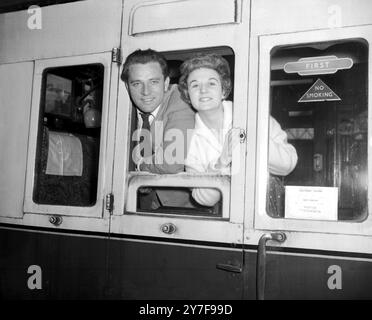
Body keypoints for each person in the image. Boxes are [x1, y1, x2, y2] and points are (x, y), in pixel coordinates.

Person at [178, 53, 297, 207]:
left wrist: (251, 139)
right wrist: (221, 163)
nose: (203, 90)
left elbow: (287, 164)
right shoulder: (188, 138)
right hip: (226, 217)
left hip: (263, 210)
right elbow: (203, 199)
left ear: (223, 90)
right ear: (188, 95)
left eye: (212, 83)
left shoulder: (253, 115)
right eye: (194, 85)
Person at [121, 49, 195, 210]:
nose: (145, 92)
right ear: (127, 86)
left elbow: (170, 162)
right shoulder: (126, 108)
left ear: (166, 83)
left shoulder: (181, 101)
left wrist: (140, 167)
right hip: (145, 204)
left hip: (185, 210)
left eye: (153, 82)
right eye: (137, 83)